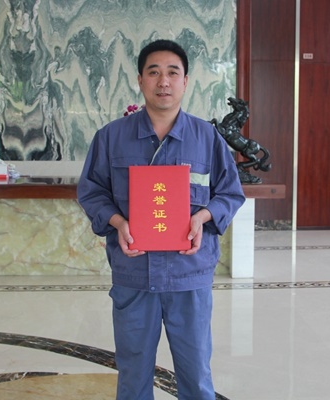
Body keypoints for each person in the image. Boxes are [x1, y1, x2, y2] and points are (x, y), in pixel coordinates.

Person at [77, 39, 245, 400]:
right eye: (154, 72)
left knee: (196, 373)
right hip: (134, 275)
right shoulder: (111, 138)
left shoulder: (207, 138)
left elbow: (230, 193)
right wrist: (118, 222)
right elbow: (91, 192)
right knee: (133, 373)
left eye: (172, 72)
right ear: (140, 80)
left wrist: (203, 217)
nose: (163, 81)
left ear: (185, 81)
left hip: (189, 276)